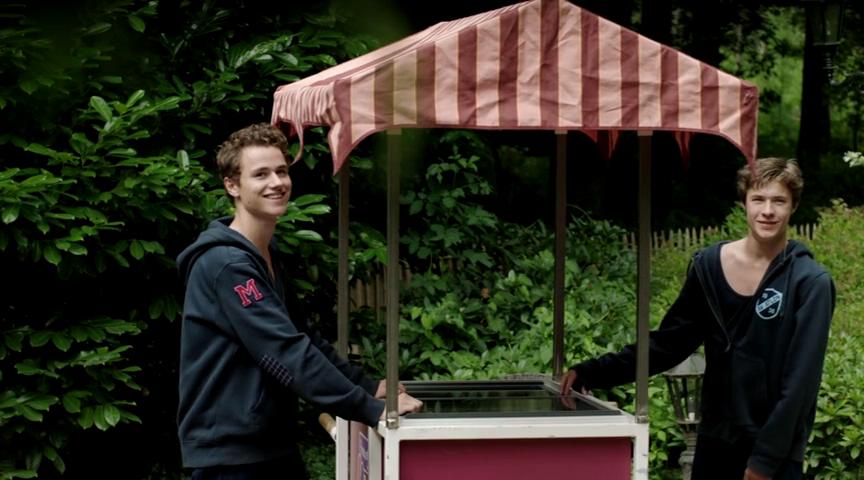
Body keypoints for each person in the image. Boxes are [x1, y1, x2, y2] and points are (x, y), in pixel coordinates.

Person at [560, 157, 835, 480]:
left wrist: (765, 461)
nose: (767, 211)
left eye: (779, 201)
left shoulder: (810, 283)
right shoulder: (709, 267)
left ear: (794, 206)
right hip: (715, 443)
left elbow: (801, 384)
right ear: (743, 202)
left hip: (772, 454)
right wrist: (593, 372)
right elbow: (669, 344)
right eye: (758, 199)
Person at [176, 123, 423, 479]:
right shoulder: (227, 266)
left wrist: (367, 387)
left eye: (282, 171)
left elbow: (302, 335)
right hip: (232, 454)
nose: (277, 182)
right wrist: (368, 408)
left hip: (267, 443)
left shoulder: (264, 254)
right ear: (232, 185)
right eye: (261, 174)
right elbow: (284, 351)